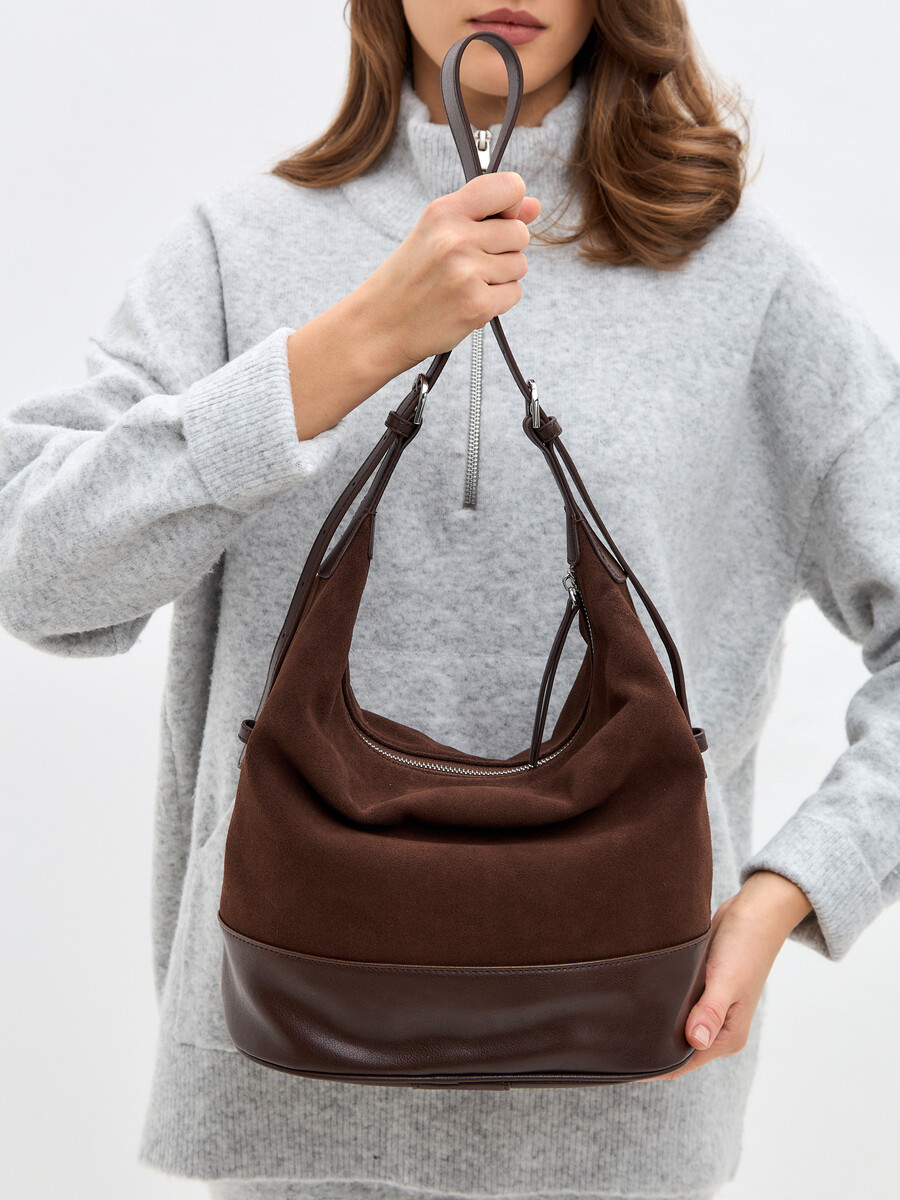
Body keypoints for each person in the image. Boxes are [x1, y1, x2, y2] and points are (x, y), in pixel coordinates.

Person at [1, 1, 898, 1198]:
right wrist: (347, 350)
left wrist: (791, 892)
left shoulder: (744, 280)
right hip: (289, 1091)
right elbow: (37, 577)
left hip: (623, 1102)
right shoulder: (236, 250)